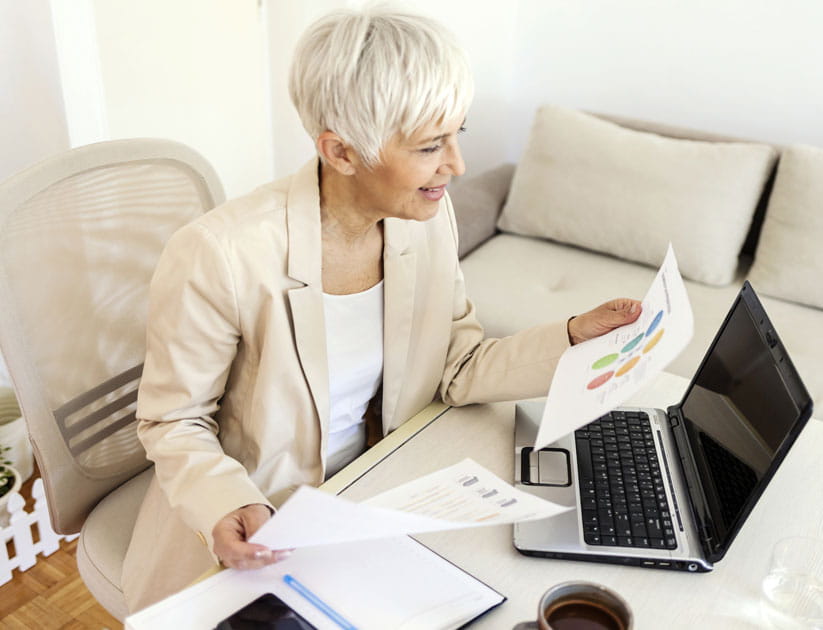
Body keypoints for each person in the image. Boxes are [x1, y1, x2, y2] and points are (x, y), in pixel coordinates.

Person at [121, 5, 641, 612]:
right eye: (429, 147)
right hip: (261, 526)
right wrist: (225, 503)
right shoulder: (219, 254)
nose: (457, 165)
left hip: (377, 492)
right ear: (341, 152)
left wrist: (575, 336)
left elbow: (458, 363)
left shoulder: (423, 218)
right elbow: (173, 420)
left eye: (457, 135)